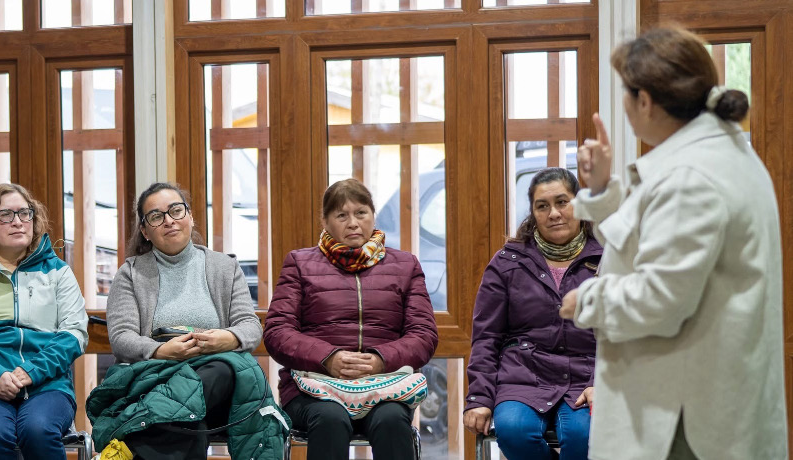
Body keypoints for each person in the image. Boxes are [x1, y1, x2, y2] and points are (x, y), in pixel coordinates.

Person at [558, 26, 788, 459]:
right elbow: (648, 240)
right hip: (700, 401)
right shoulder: (719, 154)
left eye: (625, 94)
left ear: (644, 100)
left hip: (683, 422)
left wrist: (587, 300)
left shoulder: (690, 176)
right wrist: (602, 190)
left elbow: (660, 299)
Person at [264, 178, 438, 460]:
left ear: (373, 216)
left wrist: (380, 360)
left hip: (386, 387)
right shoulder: (299, 263)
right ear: (325, 221)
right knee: (330, 419)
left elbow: (424, 335)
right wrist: (328, 358)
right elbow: (277, 332)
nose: (353, 223)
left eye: (361, 213)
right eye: (342, 215)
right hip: (314, 391)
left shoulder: (406, 265)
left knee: (392, 421)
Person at [99, 182, 272, 459]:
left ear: (190, 217)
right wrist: (161, 351)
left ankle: (131, 443)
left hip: (215, 385)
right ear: (145, 231)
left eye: (176, 211)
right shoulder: (130, 273)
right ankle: (148, 426)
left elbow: (250, 326)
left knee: (224, 369)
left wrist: (227, 339)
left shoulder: (225, 267)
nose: (169, 220)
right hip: (155, 379)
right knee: (190, 422)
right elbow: (121, 338)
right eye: (156, 216)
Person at [463, 168, 601, 460]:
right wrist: (479, 397)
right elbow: (487, 337)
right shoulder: (507, 262)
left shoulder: (607, 257)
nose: (554, 213)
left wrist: (603, 383)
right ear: (533, 213)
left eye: (562, 202)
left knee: (584, 435)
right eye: (542, 206)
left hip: (587, 376)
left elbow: (623, 334)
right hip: (523, 377)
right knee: (513, 430)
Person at [0, 183, 88, 459]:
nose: (18, 222)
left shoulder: (58, 271)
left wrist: (31, 371)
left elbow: (74, 334)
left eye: (25, 213)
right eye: (6, 215)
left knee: (38, 429)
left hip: (48, 385)